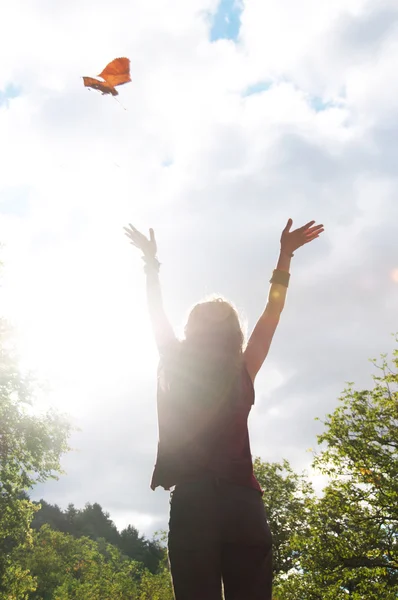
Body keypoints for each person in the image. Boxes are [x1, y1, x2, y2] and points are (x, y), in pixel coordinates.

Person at [124, 218, 324, 600]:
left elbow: (155, 313)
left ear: (190, 329)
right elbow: (272, 314)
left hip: (195, 503)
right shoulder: (243, 367)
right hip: (241, 504)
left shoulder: (175, 362)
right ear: (235, 331)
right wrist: (285, 256)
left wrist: (152, 265)